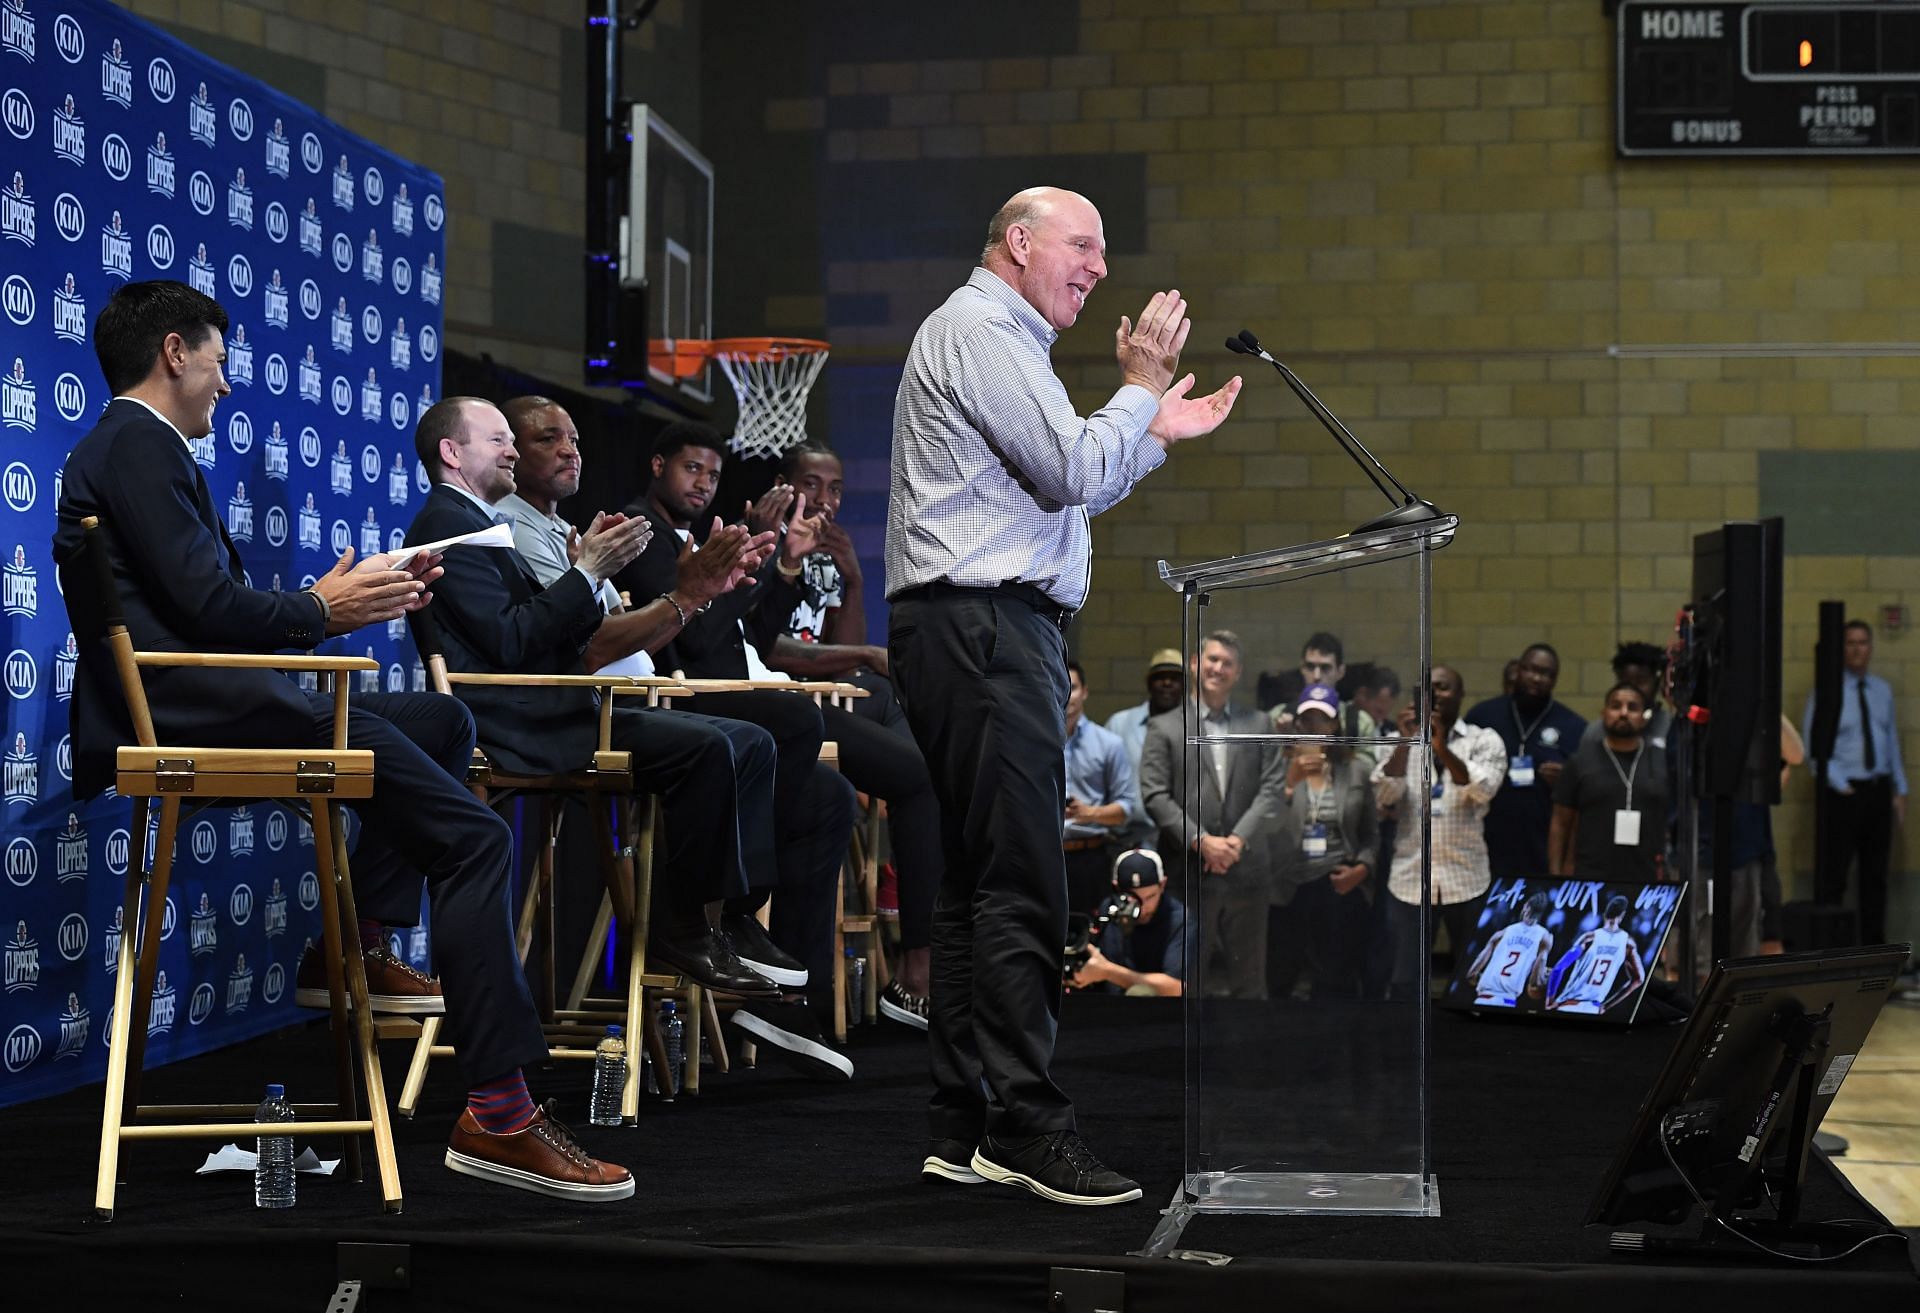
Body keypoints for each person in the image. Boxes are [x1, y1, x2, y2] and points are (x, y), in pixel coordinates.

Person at [52, 282, 631, 1201]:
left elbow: (202, 606)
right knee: (478, 836)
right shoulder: (137, 444)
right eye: (217, 362)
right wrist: (326, 608)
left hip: (212, 697)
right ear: (174, 351)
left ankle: (350, 943)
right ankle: (501, 1112)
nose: (225, 385)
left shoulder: (133, 448)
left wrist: (335, 593)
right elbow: (211, 614)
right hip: (209, 710)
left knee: (441, 718)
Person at [886, 185, 1241, 1205]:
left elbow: (1067, 484)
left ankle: (963, 1123)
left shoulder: (997, 340)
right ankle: (1025, 1124)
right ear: (1018, 242)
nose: (1095, 268)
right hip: (986, 633)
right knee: (1025, 885)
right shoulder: (981, 329)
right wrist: (1136, 391)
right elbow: (1073, 463)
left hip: (972, 629)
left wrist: (1154, 428)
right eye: (1081, 246)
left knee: (976, 883)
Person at [437, 397, 854, 1077]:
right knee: (743, 738)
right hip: (563, 715)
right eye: (531, 439)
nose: (565, 450)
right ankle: (688, 922)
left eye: (573, 437)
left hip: (619, 697)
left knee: (821, 786)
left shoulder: (549, 527)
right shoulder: (485, 530)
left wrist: (709, 586)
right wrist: (681, 591)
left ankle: (741, 931)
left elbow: (639, 632)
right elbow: (569, 646)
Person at [615, 421, 938, 1033]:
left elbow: (744, 635)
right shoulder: (644, 535)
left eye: (712, 473)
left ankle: (797, 1006)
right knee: (841, 742)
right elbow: (709, 635)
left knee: (844, 784)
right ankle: (754, 919)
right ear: (658, 465)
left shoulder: (699, 536)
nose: (704, 484)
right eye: (693, 470)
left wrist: (798, 572)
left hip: (759, 696)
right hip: (711, 708)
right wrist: (772, 559)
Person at [1139, 631, 1285, 1000]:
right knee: (1187, 982)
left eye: (1228, 663)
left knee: (1250, 983)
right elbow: (1155, 796)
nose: (1218, 668)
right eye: (1212, 659)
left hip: (1247, 870)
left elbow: (1272, 790)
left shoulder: (1259, 724)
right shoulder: (1164, 726)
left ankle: (1249, 1056)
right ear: (1194, 664)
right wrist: (1203, 842)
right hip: (1189, 874)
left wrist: (1234, 842)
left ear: (1238, 673)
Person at [1374, 666, 1507, 999]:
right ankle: (1405, 1049)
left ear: (1461, 695)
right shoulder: (1395, 741)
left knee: (1473, 979)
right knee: (1405, 981)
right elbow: (1384, 798)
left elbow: (1482, 790)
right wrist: (1406, 743)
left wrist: (1442, 747)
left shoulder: (1483, 739)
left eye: (1443, 688)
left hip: (1467, 877)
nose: (1434, 696)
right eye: (1426, 690)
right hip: (1411, 879)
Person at [1266, 683, 1378, 1001]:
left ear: (1335, 725)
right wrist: (1290, 783)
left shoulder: (1356, 771)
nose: (1315, 727)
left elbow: (1371, 834)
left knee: (1336, 980)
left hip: (1338, 883)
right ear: (1297, 723)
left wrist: (1363, 870)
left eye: (1322, 719)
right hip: (1288, 885)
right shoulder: (1276, 769)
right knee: (1280, 979)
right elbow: (1266, 829)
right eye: (1308, 719)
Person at [1802, 619, 1907, 944]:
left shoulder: (1881, 690)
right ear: (1841, 649)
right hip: (1842, 792)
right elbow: (1812, 746)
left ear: (1871, 647)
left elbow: (1890, 741)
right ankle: (1831, 953)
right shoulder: (1827, 692)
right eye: (1850, 643)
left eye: (1863, 642)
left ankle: (1874, 950)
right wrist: (1838, 783)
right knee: (1835, 877)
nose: (1857, 649)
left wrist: (1899, 789)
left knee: (1875, 878)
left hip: (1877, 790)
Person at [1466, 643, 1585, 880]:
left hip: (1541, 842)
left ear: (1555, 679)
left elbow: (1583, 792)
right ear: (1518, 670)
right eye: (1531, 670)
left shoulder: (1573, 726)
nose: (1537, 678)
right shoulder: (1483, 716)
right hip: (1484, 840)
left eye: (1546, 674)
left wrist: (1566, 781)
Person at [1549, 682, 1667, 885]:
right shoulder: (1580, 761)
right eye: (1616, 706)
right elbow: (1560, 823)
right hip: (1590, 877)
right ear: (1604, 712)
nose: (1623, 713)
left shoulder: (1661, 761)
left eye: (1632, 707)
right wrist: (1556, 874)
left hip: (1646, 877)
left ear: (1644, 717)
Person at [1061, 660, 1135, 914]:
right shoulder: (1033, 741)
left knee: (1091, 937)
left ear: (1085, 692)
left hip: (1090, 856)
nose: (1067, 694)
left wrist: (1087, 813)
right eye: (1061, 685)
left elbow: (1126, 808)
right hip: (1042, 854)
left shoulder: (1108, 744)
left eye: (1073, 687)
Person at [1069, 849, 1184, 997]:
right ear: (1116, 888)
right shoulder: (1108, 908)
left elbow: (1177, 988)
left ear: (1162, 885)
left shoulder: (1180, 920)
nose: (1142, 908)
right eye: (1133, 899)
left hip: (1157, 1010)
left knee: (1140, 992)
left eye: (1150, 897)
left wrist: (1107, 972)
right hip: (1106, 1006)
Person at [1103, 648, 1184, 848]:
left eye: (1174, 677)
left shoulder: (1196, 728)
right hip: (1127, 840)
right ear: (1148, 682)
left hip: (1180, 841)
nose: (1167, 683)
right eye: (1160, 677)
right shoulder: (1120, 724)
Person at [1546, 895, 1646, 1014]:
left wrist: (1550, 1000)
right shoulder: (1628, 944)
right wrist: (1606, 1006)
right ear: (1622, 915)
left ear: (1604, 914)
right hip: (1593, 1009)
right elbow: (1639, 979)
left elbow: (1558, 969)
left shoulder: (1589, 938)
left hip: (1569, 1005)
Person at [1465, 890, 1554, 1008]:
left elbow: (1471, 975)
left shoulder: (1501, 933)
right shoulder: (1545, 938)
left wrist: (1492, 979)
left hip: (1483, 999)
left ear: (1525, 906)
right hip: (1507, 1002)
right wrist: (1547, 977)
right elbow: (1535, 986)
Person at [1580, 642, 1671, 751]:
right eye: (1626, 681)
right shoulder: (1596, 732)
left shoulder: (1670, 727)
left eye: (1640, 681)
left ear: (1656, 683)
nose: (1632, 688)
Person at [1268, 632, 1348, 732]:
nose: (1317, 676)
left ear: (1340, 672)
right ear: (1302, 668)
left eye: (1325, 668)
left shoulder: (1357, 721)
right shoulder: (1278, 715)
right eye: (1310, 667)